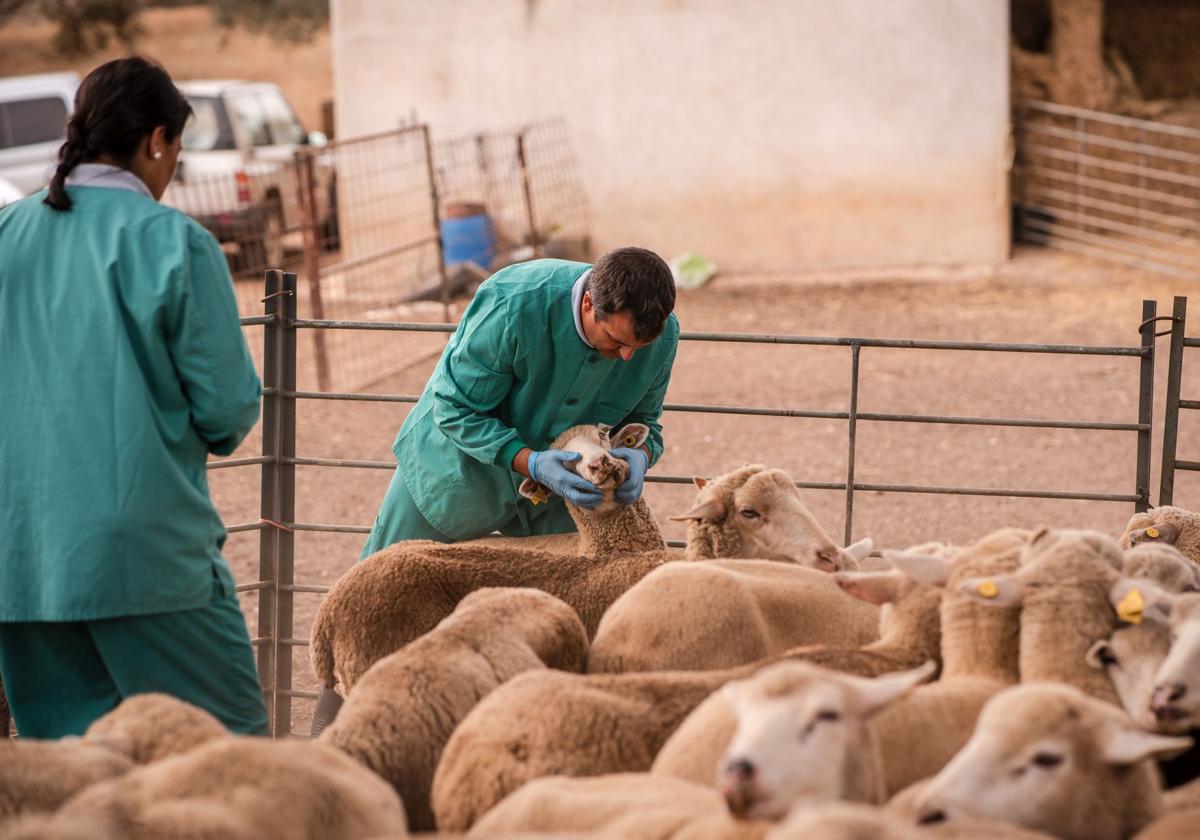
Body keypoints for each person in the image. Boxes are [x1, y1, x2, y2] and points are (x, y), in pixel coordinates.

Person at [0, 57, 268, 738]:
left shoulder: (7, 234)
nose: (172, 167)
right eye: (175, 150)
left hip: (21, 560)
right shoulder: (174, 242)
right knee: (230, 760)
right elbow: (226, 409)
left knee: (71, 782)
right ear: (156, 140)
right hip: (144, 559)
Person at [358, 248, 680, 557]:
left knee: (572, 597)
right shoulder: (512, 301)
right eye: (616, 340)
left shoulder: (663, 339)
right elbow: (454, 408)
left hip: (560, 493)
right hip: (455, 471)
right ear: (587, 303)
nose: (627, 356)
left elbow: (646, 422)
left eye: (640, 347)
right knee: (380, 583)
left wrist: (640, 456)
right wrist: (533, 463)